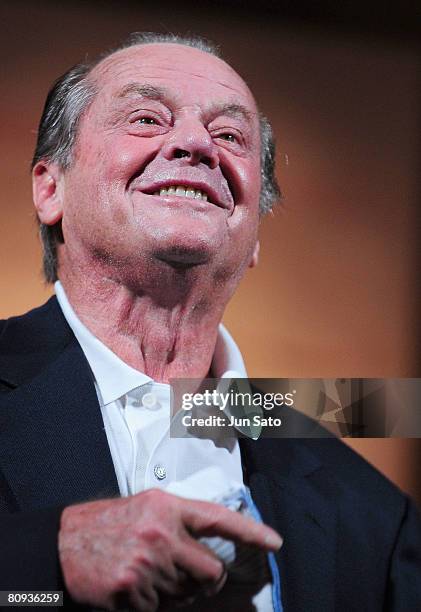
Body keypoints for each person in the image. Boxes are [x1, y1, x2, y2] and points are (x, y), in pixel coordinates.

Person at [0, 32, 420, 612]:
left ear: (254, 235)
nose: (198, 144)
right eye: (147, 118)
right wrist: (44, 566)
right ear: (51, 190)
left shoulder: (372, 511)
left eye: (230, 135)